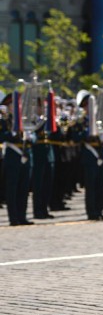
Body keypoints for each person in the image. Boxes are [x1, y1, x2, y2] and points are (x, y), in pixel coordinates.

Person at [69, 90, 103, 221]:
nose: (90, 108)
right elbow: (75, 137)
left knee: (100, 185)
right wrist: (86, 134)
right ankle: (92, 212)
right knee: (91, 186)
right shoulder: (80, 122)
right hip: (89, 155)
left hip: (101, 154)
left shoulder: (100, 121)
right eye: (87, 106)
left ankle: (100, 210)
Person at [0, 92, 33, 226]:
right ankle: (13, 218)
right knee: (12, 188)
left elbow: (34, 135)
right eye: (14, 104)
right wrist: (10, 134)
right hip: (13, 155)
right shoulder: (4, 120)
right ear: (8, 105)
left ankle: (22, 216)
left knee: (24, 188)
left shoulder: (25, 121)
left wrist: (31, 137)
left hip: (25, 155)